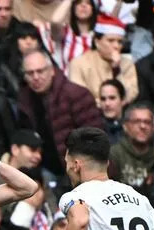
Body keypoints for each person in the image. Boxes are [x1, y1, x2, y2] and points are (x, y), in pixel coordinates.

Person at [18, 49, 103, 179]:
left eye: (40, 71)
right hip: (45, 168)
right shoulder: (24, 100)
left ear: (52, 70)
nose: (35, 77)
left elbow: (94, 138)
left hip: (80, 169)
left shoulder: (76, 94)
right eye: (30, 73)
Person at [67, 14, 138, 106]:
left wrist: (116, 71)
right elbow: (79, 96)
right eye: (111, 40)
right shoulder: (78, 63)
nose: (116, 46)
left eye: (120, 42)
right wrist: (105, 105)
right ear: (97, 42)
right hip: (89, 113)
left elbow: (131, 95)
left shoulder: (127, 64)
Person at [109, 103, 154, 193]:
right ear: (125, 126)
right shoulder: (114, 153)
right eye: (136, 121)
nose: (142, 126)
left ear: (153, 127)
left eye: (147, 122)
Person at [99, 79, 125, 144]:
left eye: (112, 98)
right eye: (103, 99)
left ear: (122, 100)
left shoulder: (133, 125)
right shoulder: (95, 128)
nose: (107, 103)